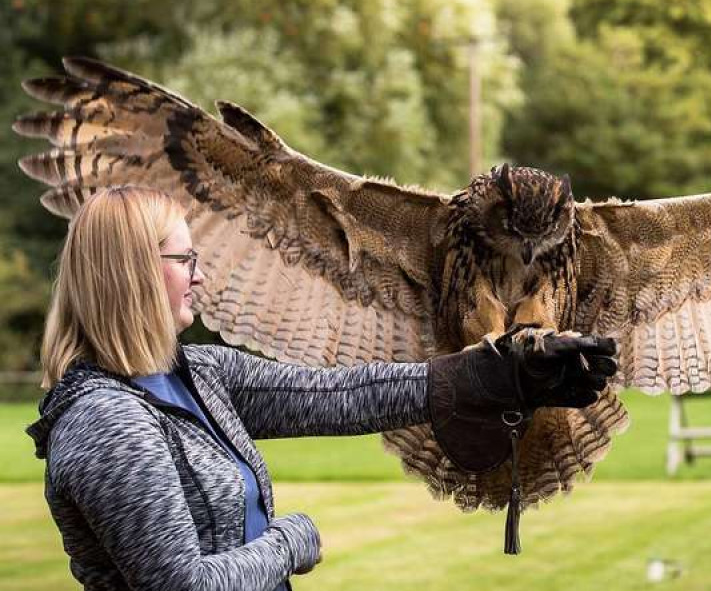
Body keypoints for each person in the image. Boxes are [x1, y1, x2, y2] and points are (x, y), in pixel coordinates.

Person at [25, 185, 617, 591]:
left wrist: (494, 376)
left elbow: (332, 395)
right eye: (185, 259)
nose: (201, 274)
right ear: (130, 274)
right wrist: (289, 542)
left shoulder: (197, 374)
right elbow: (183, 585)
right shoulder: (107, 422)